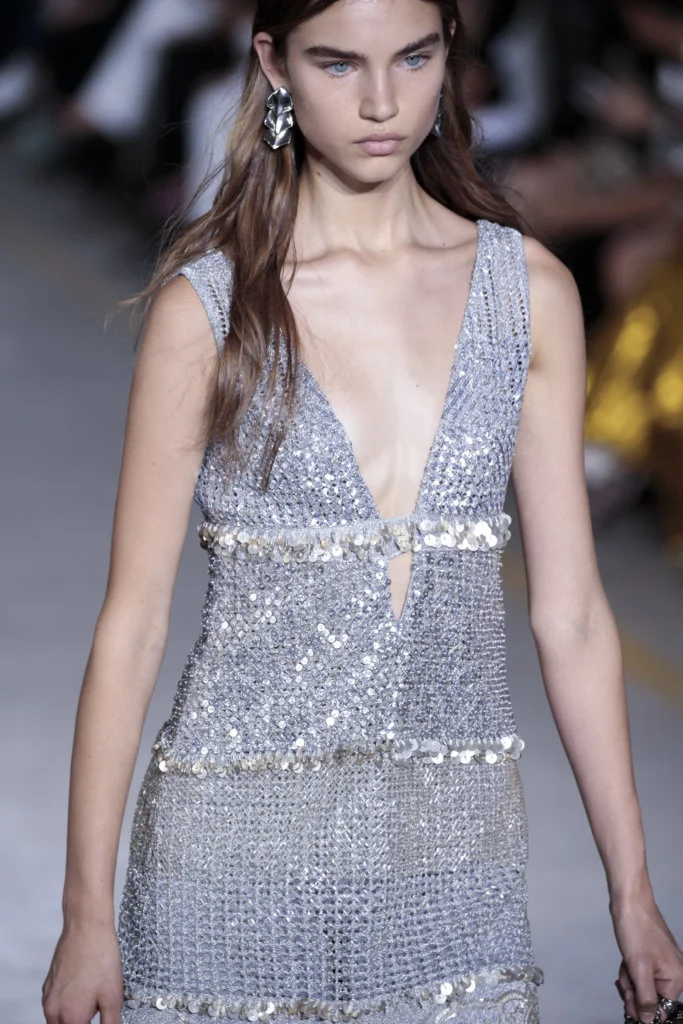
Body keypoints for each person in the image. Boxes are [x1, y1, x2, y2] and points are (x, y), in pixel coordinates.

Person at [41, 1, 683, 1024]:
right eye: (338, 64)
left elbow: (570, 616)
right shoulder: (210, 309)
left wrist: (634, 895)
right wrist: (87, 918)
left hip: (452, 864)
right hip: (228, 856)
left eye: (412, 58)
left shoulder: (527, 295)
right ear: (275, 65)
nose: (383, 101)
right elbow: (134, 624)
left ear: (449, 57)